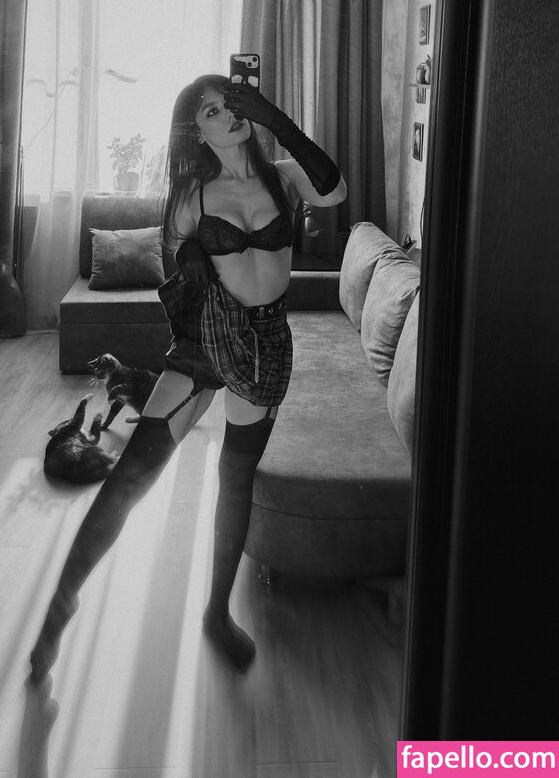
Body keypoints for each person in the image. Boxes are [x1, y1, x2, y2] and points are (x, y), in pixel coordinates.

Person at [29, 74, 346, 682]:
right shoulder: (191, 192)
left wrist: (273, 117)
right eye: (211, 111)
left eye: (232, 102)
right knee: (132, 475)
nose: (228, 114)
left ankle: (217, 613)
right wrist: (190, 252)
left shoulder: (284, 175)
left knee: (235, 479)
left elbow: (334, 190)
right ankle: (59, 607)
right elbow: (172, 250)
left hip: (265, 343)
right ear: (196, 131)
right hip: (204, 341)